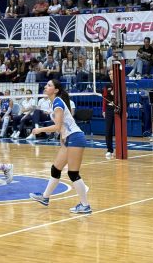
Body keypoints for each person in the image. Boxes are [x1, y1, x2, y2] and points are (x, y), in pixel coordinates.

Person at [28, 79, 91, 214]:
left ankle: (85, 205)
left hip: (75, 137)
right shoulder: (54, 103)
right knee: (55, 169)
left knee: (73, 173)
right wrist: (63, 140)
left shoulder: (57, 103)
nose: (46, 87)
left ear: (56, 90)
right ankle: (45, 197)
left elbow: (57, 126)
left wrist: (40, 130)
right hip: (69, 138)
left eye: (49, 85)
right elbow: (62, 127)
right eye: (46, 85)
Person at [103, 70, 116, 160]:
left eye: (112, 74)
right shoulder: (107, 86)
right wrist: (104, 110)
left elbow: (124, 98)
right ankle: (109, 149)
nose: (110, 75)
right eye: (109, 74)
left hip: (118, 109)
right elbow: (104, 99)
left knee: (119, 130)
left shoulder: (120, 85)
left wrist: (125, 110)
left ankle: (119, 149)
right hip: (109, 109)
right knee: (108, 130)